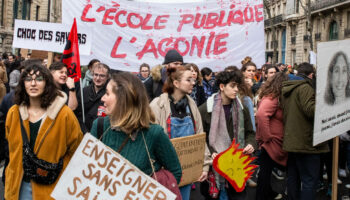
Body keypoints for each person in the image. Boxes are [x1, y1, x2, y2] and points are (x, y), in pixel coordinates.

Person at [4, 64, 82, 199]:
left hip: (49, 188)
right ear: (23, 83)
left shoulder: (65, 115)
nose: (33, 83)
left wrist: (60, 175)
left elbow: (77, 151)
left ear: (47, 83)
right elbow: (11, 149)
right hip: (17, 186)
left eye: (39, 79)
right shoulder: (14, 113)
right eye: (28, 79)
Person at [90, 72, 182, 185]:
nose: (102, 98)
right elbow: (88, 167)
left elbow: (175, 172)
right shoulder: (99, 126)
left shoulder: (154, 133)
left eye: (108, 94)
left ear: (123, 99)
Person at [150, 65, 211, 200]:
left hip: (187, 171)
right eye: (188, 80)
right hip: (164, 173)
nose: (193, 83)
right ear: (176, 83)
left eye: (193, 80)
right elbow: (149, 141)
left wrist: (205, 166)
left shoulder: (192, 105)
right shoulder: (157, 105)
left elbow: (200, 137)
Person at [198, 70, 256, 200]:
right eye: (232, 86)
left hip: (237, 164)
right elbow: (201, 138)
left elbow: (250, 132)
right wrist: (211, 151)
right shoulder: (205, 109)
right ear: (222, 87)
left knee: (238, 196)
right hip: (215, 165)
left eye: (237, 86)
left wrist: (251, 144)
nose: (236, 90)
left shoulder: (242, 108)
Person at [282, 62, 329, 200]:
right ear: (311, 75)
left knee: (293, 178)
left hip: (293, 140)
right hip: (306, 142)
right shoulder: (305, 88)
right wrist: (325, 104)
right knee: (309, 181)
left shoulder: (289, 87)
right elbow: (311, 111)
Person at [255, 72, 288, 200]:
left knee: (265, 172)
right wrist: (267, 136)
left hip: (273, 141)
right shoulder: (272, 97)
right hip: (271, 142)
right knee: (264, 174)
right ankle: (263, 196)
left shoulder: (274, 96)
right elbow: (261, 115)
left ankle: (268, 193)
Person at [75, 63, 110, 133]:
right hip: (83, 132)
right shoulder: (84, 91)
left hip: (101, 133)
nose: (98, 78)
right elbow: (77, 114)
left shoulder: (110, 94)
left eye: (102, 76)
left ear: (107, 77)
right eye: (96, 75)